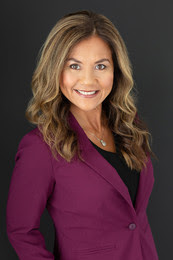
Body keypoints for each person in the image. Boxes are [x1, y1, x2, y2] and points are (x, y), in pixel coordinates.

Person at [6, 10, 159, 260]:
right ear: (56, 70)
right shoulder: (41, 146)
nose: (88, 80)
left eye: (101, 66)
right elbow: (22, 231)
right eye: (74, 66)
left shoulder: (129, 127)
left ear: (116, 70)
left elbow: (133, 219)